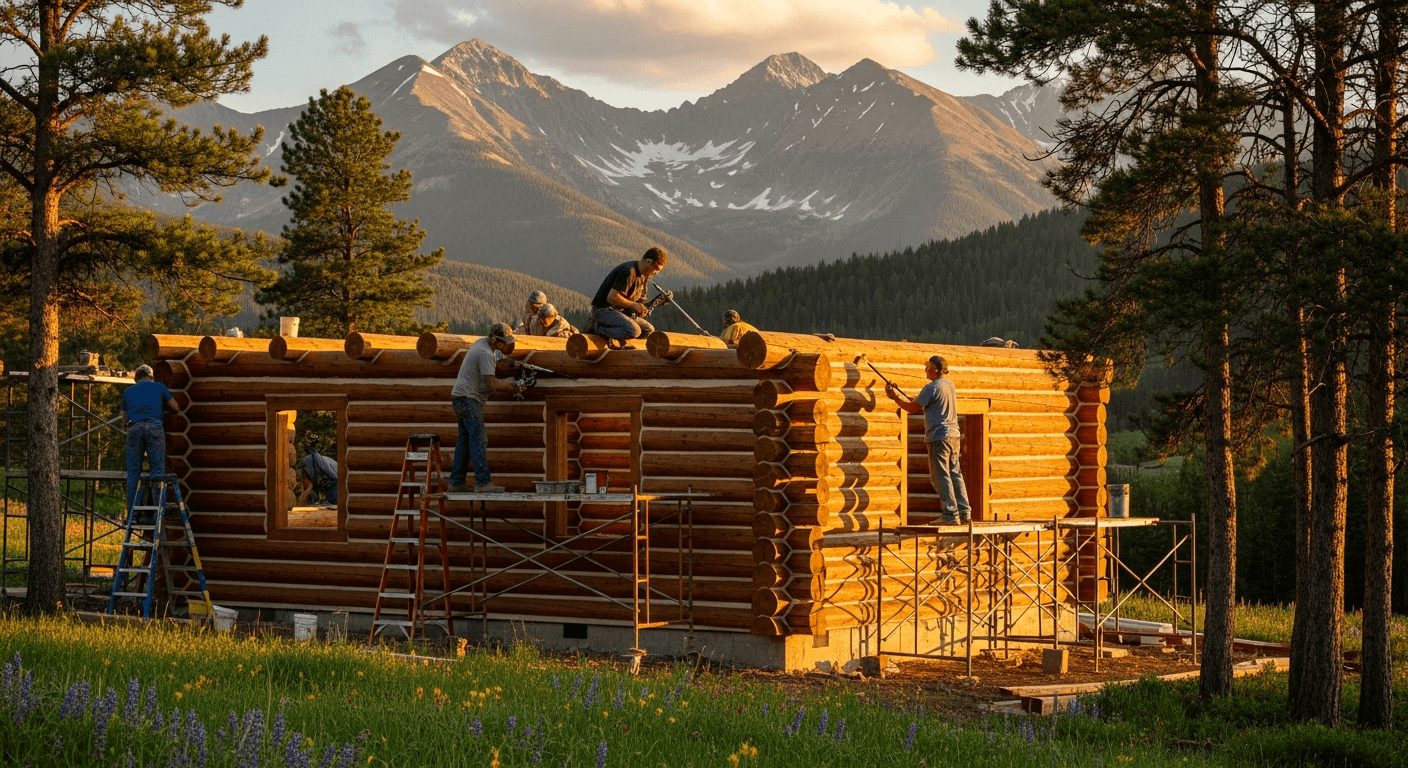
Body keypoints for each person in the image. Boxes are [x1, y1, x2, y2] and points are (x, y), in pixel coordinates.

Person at [884, 355, 971, 525]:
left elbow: (912, 408)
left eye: (927, 368)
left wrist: (894, 397)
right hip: (953, 436)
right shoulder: (949, 385)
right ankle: (964, 513)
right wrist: (904, 395)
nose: (925, 371)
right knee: (955, 474)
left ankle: (950, 515)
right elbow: (922, 403)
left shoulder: (931, 387)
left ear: (935, 370)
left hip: (939, 437)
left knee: (940, 477)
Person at [448, 323, 524, 493]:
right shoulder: (485, 353)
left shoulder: (482, 343)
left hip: (460, 397)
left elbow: (495, 362)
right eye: (502, 342)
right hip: (469, 399)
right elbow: (492, 385)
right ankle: (483, 483)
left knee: (464, 441)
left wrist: (511, 365)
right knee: (479, 439)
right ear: (493, 339)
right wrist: (513, 384)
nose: (505, 345)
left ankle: (456, 482)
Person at [119, 364, 179, 514]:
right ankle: (158, 512)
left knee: (133, 472)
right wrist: (161, 406)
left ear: (136, 378)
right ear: (151, 376)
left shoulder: (129, 391)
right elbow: (176, 408)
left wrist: (127, 430)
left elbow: (123, 418)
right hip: (154, 427)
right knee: (157, 471)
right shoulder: (159, 387)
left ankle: (133, 512)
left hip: (134, 428)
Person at [587, 246, 670, 345]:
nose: (656, 273)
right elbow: (612, 297)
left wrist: (659, 300)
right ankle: (597, 328)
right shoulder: (628, 271)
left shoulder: (644, 276)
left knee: (649, 330)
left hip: (622, 312)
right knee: (634, 330)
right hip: (603, 310)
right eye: (656, 269)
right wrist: (634, 305)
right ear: (648, 261)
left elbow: (639, 302)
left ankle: (630, 349)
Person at [297, 439, 338, 505]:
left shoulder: (314, 467)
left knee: (333, 500)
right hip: (332, 483)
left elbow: (308, 488)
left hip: (335, 483)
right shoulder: (312, 466)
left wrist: (299, 505)